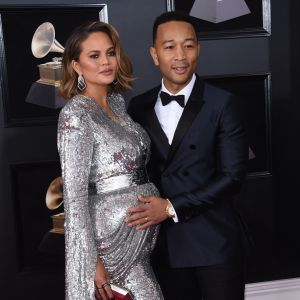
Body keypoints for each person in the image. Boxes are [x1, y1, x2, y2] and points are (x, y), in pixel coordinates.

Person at [126, 11, 250, 300]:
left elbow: (233, 177)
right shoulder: (138, 107)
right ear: (155, 54)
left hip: (215, 244)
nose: (180, 56)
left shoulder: (224, 103)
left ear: (198, 49)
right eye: (169, 47)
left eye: (189, 45)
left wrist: (170, 207)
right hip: (161, 245)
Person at [58, 20, 164, 300]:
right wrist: (93, 264)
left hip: (138, 245)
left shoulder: (116, 103)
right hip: (109, 251)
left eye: (110, 52)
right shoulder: (76, 114)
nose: (106, 62)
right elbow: (74, 197)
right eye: (94, 56)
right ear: (76, 66)